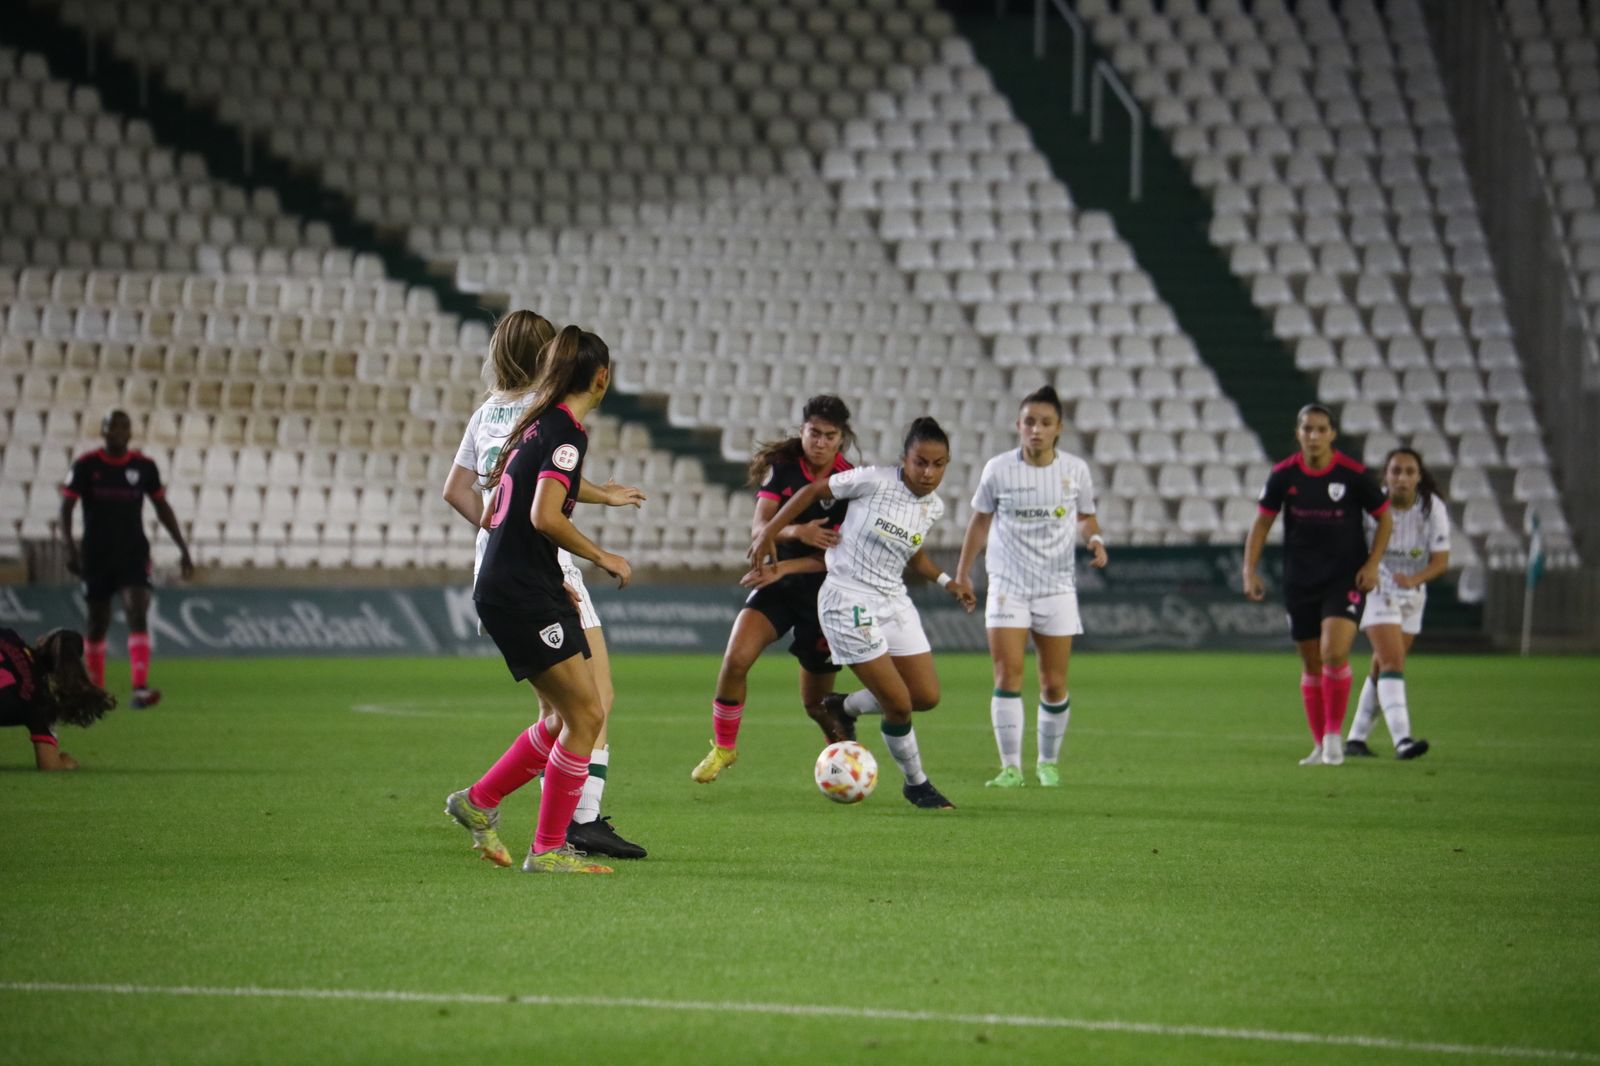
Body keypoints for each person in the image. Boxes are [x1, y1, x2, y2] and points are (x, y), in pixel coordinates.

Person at [442, 310, 646, 859]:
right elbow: (544, 514)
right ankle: (560, 838)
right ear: (599, 377)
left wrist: (506, 543)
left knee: (566, 714)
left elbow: (472, 493)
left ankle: (484, 802)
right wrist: (601, 556)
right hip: (526, 580)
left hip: (511, 573)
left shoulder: (520, 420)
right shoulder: (558, 425)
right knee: (586, 712)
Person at [749, 417, 975, 809]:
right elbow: (813, 490)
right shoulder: (872, 480)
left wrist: (947, 581)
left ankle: (843, 706)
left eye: (938, 464)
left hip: (893, 600)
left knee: (925, 696)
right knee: (898, 705)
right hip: (847, 599)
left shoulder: (932, 506)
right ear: (905, 459)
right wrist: (768, 531)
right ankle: (916, 784)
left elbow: (912, 551)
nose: (928, 472)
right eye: (921, 462)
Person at [691, 395, 859, 784]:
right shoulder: (783, 468)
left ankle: (847, 760)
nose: (819, 442)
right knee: (735, 659)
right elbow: (759, 530)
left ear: (842, 439)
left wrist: (784, 562)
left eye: (829, 435)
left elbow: (840, 557)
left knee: (816, 705)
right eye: (813, 433)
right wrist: (799, 531)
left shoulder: (850, 482)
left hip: (826, 594)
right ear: (802, 430)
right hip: (779, 585)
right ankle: (724, 747)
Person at [954, 385, 1108, 788]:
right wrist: (964, 571)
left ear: (1059, 428)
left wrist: (1094, 538)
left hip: (1056, 587)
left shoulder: (1075, 470)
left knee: (1053, 683)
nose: (1036, 430)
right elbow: (980, 521)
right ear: (1017, 425)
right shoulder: (998, 469)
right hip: (1008, 585)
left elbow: (1085, 515)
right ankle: (1010, 768)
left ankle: (1048, 763)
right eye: (1029, 422)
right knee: (1007, 675)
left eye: (1045, 423)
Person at [1243, 404, 1392, 766]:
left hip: (1344, 579)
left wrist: (1372, 564)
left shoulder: (1353, 475)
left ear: (1332, 434)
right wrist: (1249, 570)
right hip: (1300, 580)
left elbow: (1385, 518)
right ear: (1298, 433)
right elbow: (1261, 524)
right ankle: (1319, 743)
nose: (1314, 436)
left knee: (1333, 652)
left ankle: (1334, 737)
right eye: (1307, 429)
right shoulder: (1283, 475)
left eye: (1321, 429)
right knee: (1311, 663)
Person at [58, 410, 194, 709]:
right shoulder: (86, 465)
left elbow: (161, 507)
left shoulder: (144, 467)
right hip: (96, 555)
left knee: (137, 610)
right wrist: (69, 548)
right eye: (112, 426)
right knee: (97, 622)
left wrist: (182, 547)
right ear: (103, 431)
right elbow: (66, 507)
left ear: (130, 433)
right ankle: (95, 689)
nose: (118, 431)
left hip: (133, 553)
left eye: (123, 427)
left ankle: (140, 688)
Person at [1346, 447, 1446, 760]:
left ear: (1419, 477)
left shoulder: (1432, 508)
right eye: (1396, 471)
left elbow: (1441, 560)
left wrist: (1414, 580)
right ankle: (1402, 739)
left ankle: (1356, 738)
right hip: (1377, 589)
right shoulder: (1371, 506)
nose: (1402, 478)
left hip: (1413, 594)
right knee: (1392, 661)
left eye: (1409, 472)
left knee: (1382, 664)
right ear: (1385, 476)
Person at [0, 627, 116, 770]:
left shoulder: (9, 635)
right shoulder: (41, 700)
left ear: (41, 641)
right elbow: (50, 765)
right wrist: (67, 762)